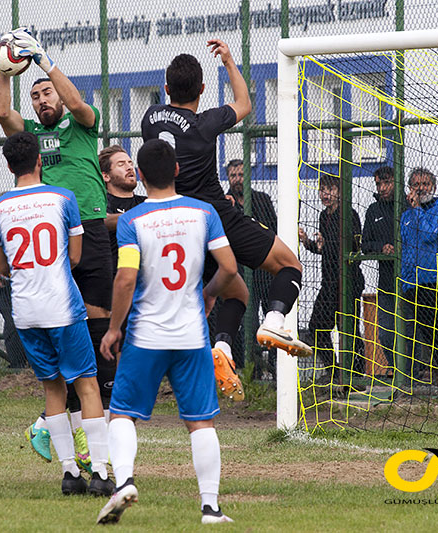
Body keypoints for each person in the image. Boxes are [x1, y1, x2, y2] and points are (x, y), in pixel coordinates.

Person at [141, 40, 311, 402]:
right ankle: (275, 322)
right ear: (202, 89)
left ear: (167, 88)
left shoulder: (149, 117)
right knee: (289, 265)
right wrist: (230, 60)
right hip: (215, 215)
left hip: (176, 225)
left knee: (237, 293)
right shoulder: (205, 123)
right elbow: (245, 104)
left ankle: (223, 349)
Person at [96, 139, 236, 525]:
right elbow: (228, 267)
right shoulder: (204, 211)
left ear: (140, 175)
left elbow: (125, 278)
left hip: (145, 336)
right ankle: (210, 507)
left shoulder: (131, 220)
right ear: (177, 170)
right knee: (200, 422)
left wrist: (113, 328)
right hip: (191, 335)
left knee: (122, 413)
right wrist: (208, 295)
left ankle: (124, 481)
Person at [0, 28, 115, 466]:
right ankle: (74, 424)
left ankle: (81, 415)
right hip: (54, 238)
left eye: (48, 94)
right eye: (38, 97)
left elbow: (79, 103)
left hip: (90, 230)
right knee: (61, 321)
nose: (44, 100)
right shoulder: (29, 134)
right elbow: (2, 111)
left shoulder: (82, 123)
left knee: (97, 321)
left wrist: (43, 61)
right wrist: (4, 69)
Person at [0, 131, 113, 496]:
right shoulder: (63, 197)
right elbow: (75, 257)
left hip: (25, 311)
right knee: (87, 385)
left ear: (9, 166)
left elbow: (2, 264)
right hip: (62, 306)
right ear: (40, 161)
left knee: (52, 388)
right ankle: (101, 473)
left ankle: (70, 472)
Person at [399, 167, 438, 386]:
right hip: (416, 286)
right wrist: (406, 282)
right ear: (409, 188)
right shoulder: (405, 216)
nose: (420, 188)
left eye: (425, 184)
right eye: (416, 185)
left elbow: (429, 234)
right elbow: (406, 249)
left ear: (433, 187)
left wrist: (416, 209)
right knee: (433, 340)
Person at [298, 175, 365, 384]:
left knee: (349, 327)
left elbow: (353, 247)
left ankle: (356, 374)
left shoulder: (349, 215)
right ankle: (333, 370)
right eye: (322, 189)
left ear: (340, 191)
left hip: (348, 280)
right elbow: (324, 250)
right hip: (328, 282)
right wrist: (308, 242)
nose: (325, 194)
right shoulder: (323, 216)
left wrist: (329, 244)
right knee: (316, 328)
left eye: (330, 189)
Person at [224, 158, 277, 374]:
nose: (237, 179)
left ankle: (275, 368)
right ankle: (252, 370)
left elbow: (274, 230)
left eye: (240, 175)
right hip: (241, 273)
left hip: (265, 271)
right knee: (249, 324)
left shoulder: (262, 200)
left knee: (273, 321)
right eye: (233, 175)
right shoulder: (225, 202)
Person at [362, 166, 396, 372]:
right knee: (385, 332)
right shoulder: (373, 211)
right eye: (378, 184)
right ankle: (395, 368)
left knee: (413, 330)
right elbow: (365, 244)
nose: (382, 188)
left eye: (386, 183)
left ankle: (415, 373)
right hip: (386, 281)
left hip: (410, 281)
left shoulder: (408, 207)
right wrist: (381, 248)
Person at [0, 223, 29, 368]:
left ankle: (31, 362)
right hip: (5, 283)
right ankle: (17, 364)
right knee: (11, 322)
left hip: (27, 281)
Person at [101, 145, 146, 276]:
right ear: (106, 176)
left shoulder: (145, 202)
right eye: (121, 164)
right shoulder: (102, 204)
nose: (129, 167)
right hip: (115, 280)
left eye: (130, 163)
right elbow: (104, 221)